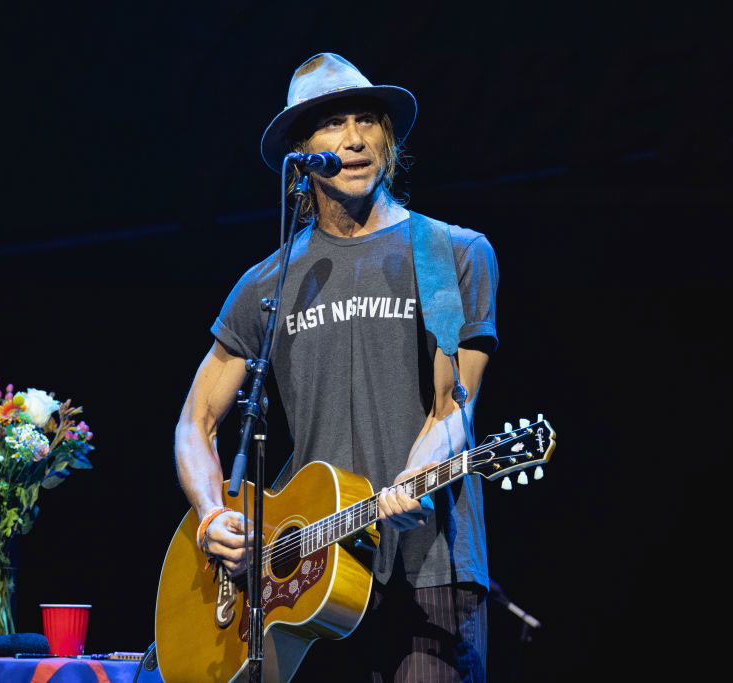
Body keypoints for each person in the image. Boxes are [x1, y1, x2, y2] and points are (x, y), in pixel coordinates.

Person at [173, 53, 499, 682]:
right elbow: (197, 422)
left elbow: (454, 407)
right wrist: (212, 514)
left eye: (367, 121)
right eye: (332, 124)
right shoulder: (268, 282)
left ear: (387, 138)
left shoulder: (450, 253)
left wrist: (416, 476)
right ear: (301, 154)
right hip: (305, 583)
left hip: (426, 570)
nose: (354, 140)